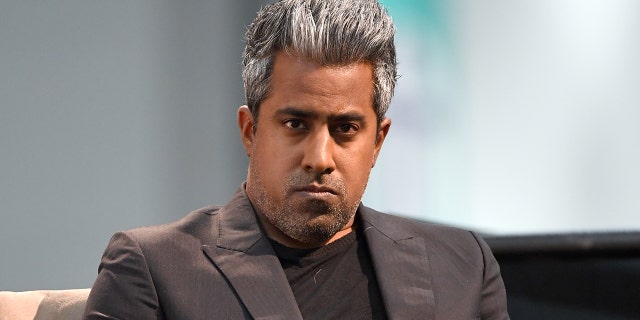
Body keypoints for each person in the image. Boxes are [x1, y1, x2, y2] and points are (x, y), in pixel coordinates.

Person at [83, 0, 509, 319]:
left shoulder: (462, 265)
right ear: (250, 131)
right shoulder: (156, 267)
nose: (319, 158)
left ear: (378, 142)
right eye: (295, 125)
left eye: (345, 129)